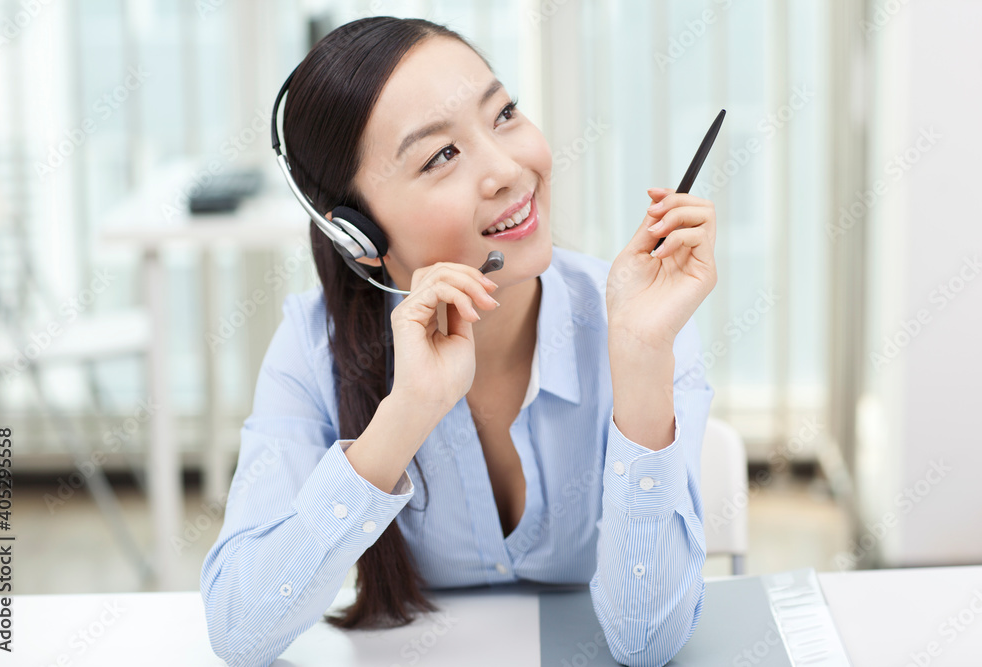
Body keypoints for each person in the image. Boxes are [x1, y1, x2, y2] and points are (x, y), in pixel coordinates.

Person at [201, 15, 717, 667]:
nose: (507, 168)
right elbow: (238, 630)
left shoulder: (640, 318)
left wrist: (641, 362)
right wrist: (405, 414)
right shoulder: (312, 347)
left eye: (504, 115)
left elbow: (647, 645)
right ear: (359, 235)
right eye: (440, 155)